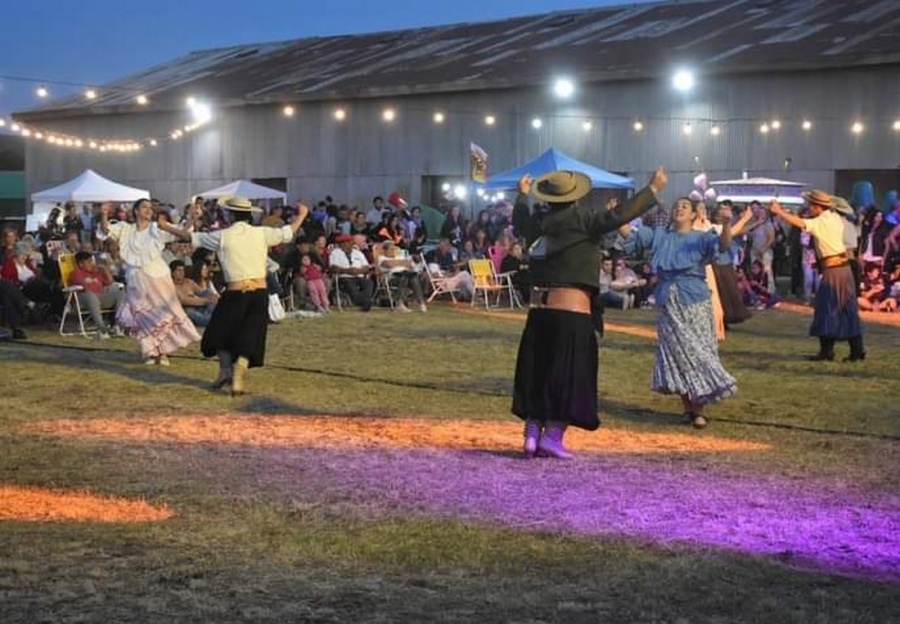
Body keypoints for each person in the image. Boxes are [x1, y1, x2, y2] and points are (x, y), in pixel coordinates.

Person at [511, 167, 667, 459]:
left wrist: (522, 196)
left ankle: (532, 433)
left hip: (539, 310)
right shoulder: (584, 219)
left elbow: (520, 220)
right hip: (572, 312)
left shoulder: (539, 222)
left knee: (538, 371)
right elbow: (618, 216)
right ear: (576, 196)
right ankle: (553, 435)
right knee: (569, 374)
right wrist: (652, 190)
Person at [161, 197, 309, 394]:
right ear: (249, 215)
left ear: (231, 215)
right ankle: (236, 368)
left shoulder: (223, 235)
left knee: (218, 333)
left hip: (235, 292)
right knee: (251, 334)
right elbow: (289, 232)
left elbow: (189, 237)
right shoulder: (262, 233)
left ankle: (226, 370)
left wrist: (165, 226)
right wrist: (302, 214)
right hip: (259, 292)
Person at [619, 198, 738, 429]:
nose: (679, 208)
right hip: (668, 302)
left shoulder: (702, 238)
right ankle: (688, 409)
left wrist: (726, 224)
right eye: (677, 205)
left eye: (685, 206)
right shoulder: (661, 236)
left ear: (694, 214)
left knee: (697, 352)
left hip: (694, 301)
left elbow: (723, 246)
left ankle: (699, 409)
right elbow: (631, 235)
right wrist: (615, 217)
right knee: (676, 355)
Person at [97, 199, 200, 365]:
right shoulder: (126, 228)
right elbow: (105, 229)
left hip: (157, 276)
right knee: (142, 315)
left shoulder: (156, 227)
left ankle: (163, 352)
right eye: (144, 207)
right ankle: (149, 351)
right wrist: (104, 213)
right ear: (136, 211)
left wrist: (192, 218)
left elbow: (181, 232)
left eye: (150, 208)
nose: (148, 210)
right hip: (136, 279)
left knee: (162, 314)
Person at [769, 190, 865, 362]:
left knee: (825, 308)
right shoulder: (834, 217)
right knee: (846, 308)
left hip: (834, 272)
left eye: (810, 205)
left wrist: (779, 212)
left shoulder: (821, 222)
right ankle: (856, 350)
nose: (808, 209)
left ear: (818, 207)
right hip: (843, 270)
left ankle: (827, 351)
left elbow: (800, 223)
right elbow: (838, 205)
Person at [69, 250, 126, 338]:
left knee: (120, 293)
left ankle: (117, 326)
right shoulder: (76, 273)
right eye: (88, 262)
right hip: (83, 300)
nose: (91, 263)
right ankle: (102, 329)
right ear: (80, 264)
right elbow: (83, 288)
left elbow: (111, 282)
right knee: (90, 295)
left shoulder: (96, 272)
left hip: (99, 297)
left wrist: (105, 269)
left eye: (91, 261)